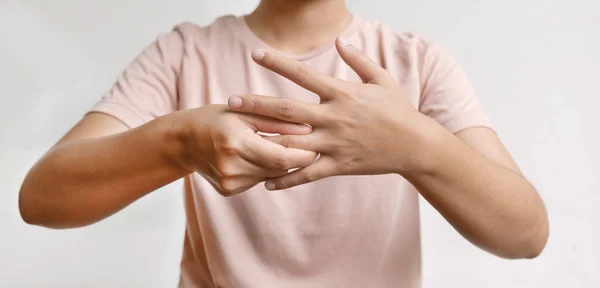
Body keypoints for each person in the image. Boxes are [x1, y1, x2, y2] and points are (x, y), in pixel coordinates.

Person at [18, 0, 549, 287]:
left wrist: (419, 146)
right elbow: (42, 198)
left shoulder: (417, 62)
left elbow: (525, 234)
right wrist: (179, 143)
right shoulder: (183, 55)